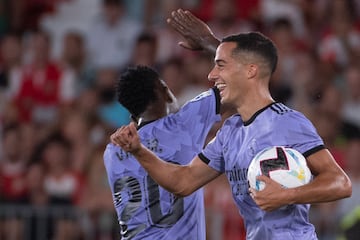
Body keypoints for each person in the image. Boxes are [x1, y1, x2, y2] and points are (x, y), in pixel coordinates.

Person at [111, 9, 352, 240]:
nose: (211, 75)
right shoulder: (229, 132)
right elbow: (182, 182)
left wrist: (287, 195)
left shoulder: (286, 122)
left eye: (221, 65)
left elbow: (340, 183)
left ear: (250, 71)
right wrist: (139, 151)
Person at [103, 65, 221, 239]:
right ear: (164, 92)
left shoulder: (112, 151)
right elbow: (238, 83)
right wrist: (211, 46)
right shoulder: (183, 125)